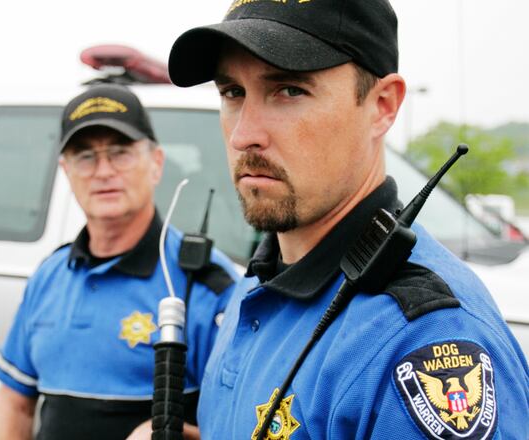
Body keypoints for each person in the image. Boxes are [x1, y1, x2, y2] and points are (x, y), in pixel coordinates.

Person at [165, 0, 529, 439]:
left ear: (382, 105)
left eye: (289, 91)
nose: (244, 135)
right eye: (232, 92)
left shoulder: (421, 340)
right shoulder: (260, 281)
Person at [0, 84, 237, 440]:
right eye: (85, 156)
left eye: (120, 152)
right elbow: (14, 403)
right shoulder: (50, 275)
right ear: (66, 170)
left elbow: (240, 424)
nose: (103, 171)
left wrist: (174, 433)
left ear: (156, 163)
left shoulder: (204, 283)